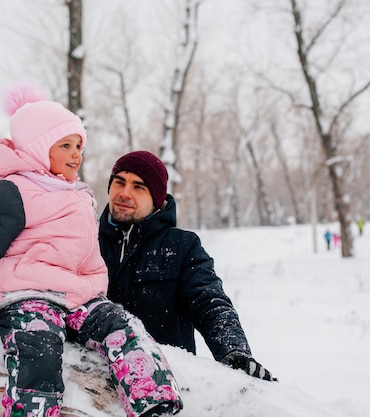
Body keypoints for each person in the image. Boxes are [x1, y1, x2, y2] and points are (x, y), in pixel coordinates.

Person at [0, 88, 183, 417]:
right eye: (65, 146)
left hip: (81, 297)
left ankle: (154, 401)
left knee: (124, 327)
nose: (76, 155)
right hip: (28, 297)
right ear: (40, 148)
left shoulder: (78, 193)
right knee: (38, 351)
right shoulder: (12, 191)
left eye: (79, 146)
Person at [99, 150, 276, 382]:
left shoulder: (182, 246)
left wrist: (234, 350)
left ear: (156, 199)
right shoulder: (84, 240)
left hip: (163, 382)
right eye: (119, 183)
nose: (124, 193)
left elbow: (209, 302)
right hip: (92, 380)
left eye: (138, 187)